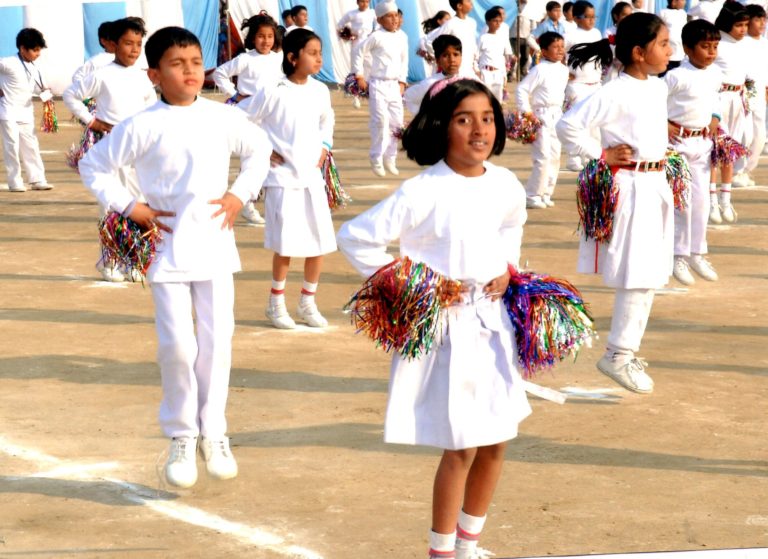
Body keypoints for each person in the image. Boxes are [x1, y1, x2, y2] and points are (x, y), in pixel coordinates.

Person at [337, 78, 531, 559]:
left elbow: (511, 225)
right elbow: (356, 237)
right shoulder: (421, 191)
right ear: (442, 126)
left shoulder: (505, 183)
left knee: (497, 440)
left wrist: (508, 269)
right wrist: (416, 284)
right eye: (464, 120)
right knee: (461, 446)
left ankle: (469, 544)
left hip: (493, 326)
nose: (479, 130)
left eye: (487, 118)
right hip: (448, 333)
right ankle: (441, 552)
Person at [78, 26, 271, 489]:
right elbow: (93, 165)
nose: (189, 72)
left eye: (195, 63)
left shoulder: (222, 117)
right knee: (178, 346)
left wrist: (239, 195)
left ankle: (214, 431)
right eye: (177, 64)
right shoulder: (141, 125)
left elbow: (259, 151)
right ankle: (182, 433)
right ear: (154, 75)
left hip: (215, 247)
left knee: (218, 340)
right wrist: (130, 206)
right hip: (165, 249)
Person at [557, 12, 674, 394]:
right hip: (631, 185)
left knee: (651, 272)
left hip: (655, 182)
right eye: (663, 44)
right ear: (639, 52)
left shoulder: (657, 86)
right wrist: (600, 154)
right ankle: (618, 354)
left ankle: (624, 352)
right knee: (637, 273)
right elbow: (567, 125)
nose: (669, 50)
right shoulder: (614, 91)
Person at [238, 29, 336, 330]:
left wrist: (325, 146)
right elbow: (241, 117)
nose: (319, 59)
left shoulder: (320, 90)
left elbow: (327, 120)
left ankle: (308, 302)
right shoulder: (274, 90)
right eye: (312, 53)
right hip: (282, 179)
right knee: (286, 244)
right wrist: (264, 149)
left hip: (311, 177)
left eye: (320, 53)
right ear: (293, 58)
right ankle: (276, 303)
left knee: (319, 241)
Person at [63, 17, 157, 282]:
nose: (134, 49)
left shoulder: (143, 78)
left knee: (138, 203)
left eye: (138, 44)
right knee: (110, 204)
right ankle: (110, 261)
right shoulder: (101, 75)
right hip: (110, 149)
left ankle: (134, 259)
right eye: (128, 43)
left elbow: (152, 109)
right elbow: (71, 95)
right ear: (113, 45)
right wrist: (91, 120)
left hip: (138, 152)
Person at [665, 19, 722, 286]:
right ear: (687, 48)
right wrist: (664, 123)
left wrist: (715, 117)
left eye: (714, 46)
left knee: (702, 203)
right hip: (677, 146)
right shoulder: (676, 76)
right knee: (683, 204)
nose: (711, 52)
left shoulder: (715, 74)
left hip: (702, 143)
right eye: (705, 46)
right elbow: (655, 101)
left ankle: (697, 252)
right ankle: (678, 255)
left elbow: (715, 99)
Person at [213, 12, 282, 227]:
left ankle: (264, 201)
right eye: (261, 36)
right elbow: (219, 73)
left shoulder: (278, 58)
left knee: (270, 158)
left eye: (269, 36)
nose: (265, 41)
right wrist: (234, 94)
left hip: (270, 114)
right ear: (252, 38)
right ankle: (248, 204)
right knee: (250, 158)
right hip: (247, 112)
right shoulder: (245, 59)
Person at [352, 1, 408, 177]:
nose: (394, 19)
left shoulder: (402, 36)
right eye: (389, 16)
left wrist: (402, 81)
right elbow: (358, 52)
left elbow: (404, 60)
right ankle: (376, 157)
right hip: (378, 84)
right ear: (380, 20)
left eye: (396, 15)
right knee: (380, 121)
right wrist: (359, 75)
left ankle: (390, 158)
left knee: (397, 123)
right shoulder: (376, 36)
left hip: (394, 85)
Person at [516, 32, 569, 209]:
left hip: (557, 115)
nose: (560, 50)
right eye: (555, 47)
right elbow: (522, 89)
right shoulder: (539, 69)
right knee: (543, 156)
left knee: (555, 155)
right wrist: (527, 112)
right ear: (544, 51)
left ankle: (546, 192)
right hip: (541, 115)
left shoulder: (563, 69)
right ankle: (532, 194)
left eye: (562, 46)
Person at [0, 28, 53, 193]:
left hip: (26, 112)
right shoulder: (7, 63)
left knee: (31, 146)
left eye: (39, 50)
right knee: (12, 146)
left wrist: (47, 95)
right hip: (8, 111)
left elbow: (41, 88)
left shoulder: (36, 67)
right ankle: (15, 181)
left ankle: (37, 179)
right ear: (22, 48)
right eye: (35, 50)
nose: (38, 54)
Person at [711, 3, 750, 216]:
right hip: (720, 99)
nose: (743, 29)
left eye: (745, 25)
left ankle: (725, 198)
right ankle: (711, 200)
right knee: (715, 150)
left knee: (730, 151)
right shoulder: (716, 43)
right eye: (739, 25)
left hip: (738, 98)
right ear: (727, 24)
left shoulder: (743, 45)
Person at [563, 0, 609, 171]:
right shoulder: (569, 36)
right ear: (576, 18)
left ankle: (592, 157)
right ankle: (573, 157)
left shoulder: (597, 33)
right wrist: (564, 71)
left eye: (593, 17)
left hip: (595, 84)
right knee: (578, 121)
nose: (591, 20)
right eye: (587, 17)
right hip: (577, 85)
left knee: (595, 123)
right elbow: (558, 53)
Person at [404, 35, 467, 114]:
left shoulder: (469, 80)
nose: (452, 60)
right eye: (445, 55)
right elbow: (408, 97)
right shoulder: (430, 84)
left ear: (461, 57)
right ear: (438, 61)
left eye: (456, 54)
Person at [743, 5, 767, 182]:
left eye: (763, 19)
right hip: (745, 89)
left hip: (760, 90)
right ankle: (738, 170)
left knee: (759, 135)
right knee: (746, 133)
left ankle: (746, 169)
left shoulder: (765, 43)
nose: (762, 23)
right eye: (757, 19)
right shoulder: (741, 43)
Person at [425, 0, 480, 78]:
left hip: (469, 70)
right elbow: (429, 42)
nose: (471, 3)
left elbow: (473, 47)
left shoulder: (472, 23)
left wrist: (476, 68)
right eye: (468, 1)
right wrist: (438, 57)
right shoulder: (450, 24)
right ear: (459, 6)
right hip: (455, 71)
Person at [338, 0, 376, 105]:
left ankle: (367, 91)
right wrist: (348, 35)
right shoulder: (352, 14)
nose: (364, 4)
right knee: (356, 69)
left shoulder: (372, 12)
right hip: (357, 43)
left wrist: (374, 33)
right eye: (362, 1)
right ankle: (355, 95)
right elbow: (340, 24)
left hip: (368, 43)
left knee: (370, 66)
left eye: (367, 2)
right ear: (357, 2)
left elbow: (378, 24)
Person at [477, 7, 515, 102]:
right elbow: (476, 56)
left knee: (498, 101)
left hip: (498, 73)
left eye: (499, 21)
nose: (497, 23)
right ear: (488, 22)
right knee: (485, 99)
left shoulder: (501, 39)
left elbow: (501, 58)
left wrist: (504, 74)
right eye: (495, 21)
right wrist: (477, 71)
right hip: (485, 72)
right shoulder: (483, 38)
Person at [71, 20, 116, 85]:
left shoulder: (124, 58)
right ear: (103, 41)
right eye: (113, 38)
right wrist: (89, 90)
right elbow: (77, 76)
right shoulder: (98, 61)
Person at [659, 0, 688, 75]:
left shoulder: (683, 13)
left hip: (680, 51)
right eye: (682, 0)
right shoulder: (663, 13)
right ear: (674, 2)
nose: (684, 2)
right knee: (665, 74)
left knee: (678, 74)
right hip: (668, 51)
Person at [509, 0, 537, 77]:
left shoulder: (530, 9)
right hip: (514, 36)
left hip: (526, 37)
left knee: (525, 57)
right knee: (515, 57)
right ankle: (510, 74)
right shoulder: (513, 7)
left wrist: (533, 36)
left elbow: (533, 25)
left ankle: (522, 73)